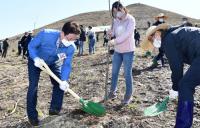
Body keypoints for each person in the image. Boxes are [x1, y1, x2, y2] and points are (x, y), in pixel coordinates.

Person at [141, 23, 200, 127]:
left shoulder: (169, 39)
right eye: (151, 40)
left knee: (185, 85)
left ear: (158, 32)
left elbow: (177, 67)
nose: (152, 41)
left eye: (152, 38)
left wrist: (175, 88)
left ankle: (183, 125)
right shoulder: (175, 34)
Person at [27, 21, 80, 126]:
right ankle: (32, 117)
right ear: (62, 33)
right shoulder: (45, 34)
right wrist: (35, 58)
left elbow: (67, 64)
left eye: (74, 39)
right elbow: (31, 46)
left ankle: (54, 110)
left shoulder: (71, 48)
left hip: (53, 62)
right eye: (69, 39)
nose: (71, 42)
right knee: (33, 86)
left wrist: (64, 80)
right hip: (36, 61)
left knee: (59, 84)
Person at [107, 1, 136, 105]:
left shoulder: (130, 20)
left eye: (118, 10)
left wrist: (115, 41)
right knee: (114, 72)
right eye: (114, 12)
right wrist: (109, 33)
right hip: (118, 51)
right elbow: (114, 33)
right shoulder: (115, 21)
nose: (117, 13)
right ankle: (112, 92)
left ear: (123, 9)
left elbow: (127, 34)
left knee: (127, 74)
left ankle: (128, 96)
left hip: (128, 50)